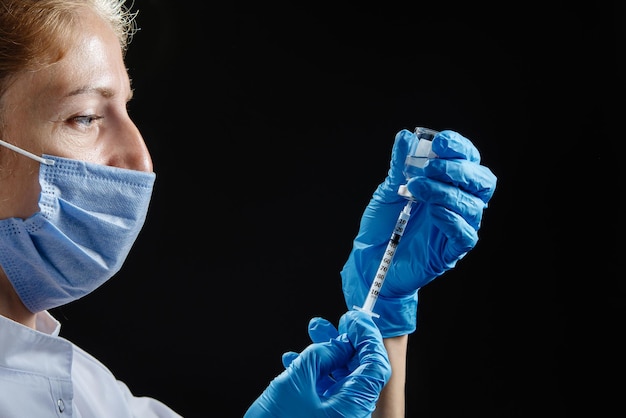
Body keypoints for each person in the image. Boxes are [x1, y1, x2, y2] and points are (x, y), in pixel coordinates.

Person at [0, 1, 496, 418]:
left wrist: (384, 318)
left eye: (126, 109)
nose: (139, 159)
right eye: (85, 117)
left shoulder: (94, 396)